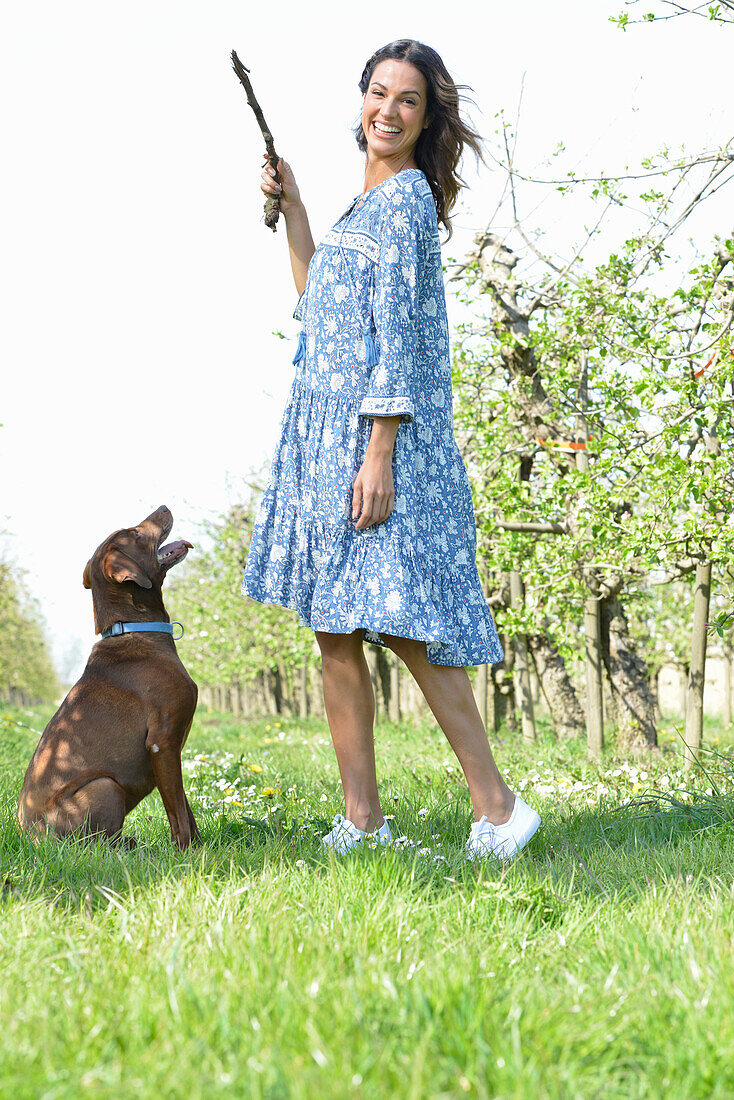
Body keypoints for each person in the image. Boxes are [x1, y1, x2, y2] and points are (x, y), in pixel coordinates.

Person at [242, 39, 540, 862]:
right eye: (380, 92)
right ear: (362, 99)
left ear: (425, 117)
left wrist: (379, 453)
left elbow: (399, 342)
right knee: (335, 627)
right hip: (324, 438)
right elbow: (317, 303)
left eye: (408, 100)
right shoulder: (358, 208)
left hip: (378, 442)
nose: (389, 110)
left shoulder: (406, 204)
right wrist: (297, 210)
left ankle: (499, 808)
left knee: (402, 623)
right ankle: (362, 820)